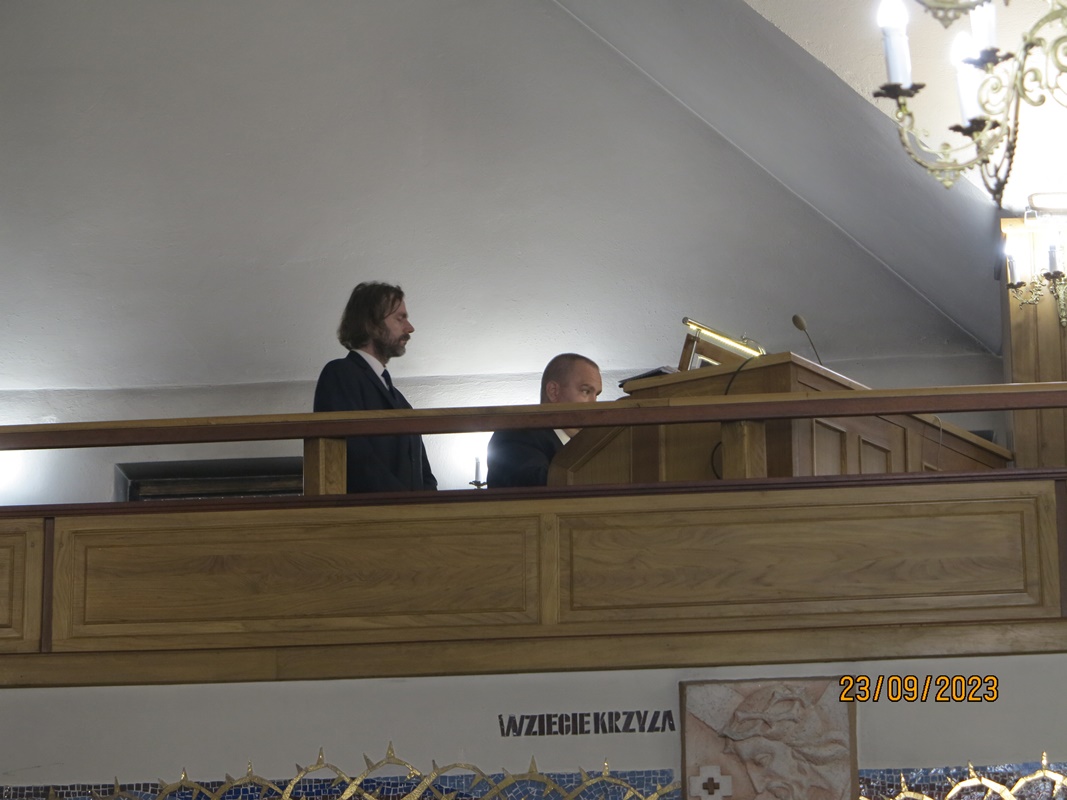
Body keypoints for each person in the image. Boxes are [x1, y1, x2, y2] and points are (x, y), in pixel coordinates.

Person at [313, 281, 437, 493]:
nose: (409, 328)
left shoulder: (400, 399)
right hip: (372, 510)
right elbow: (355, 456)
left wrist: (430, 504)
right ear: (372, 324)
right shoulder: (340, 374)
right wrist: (403, 503)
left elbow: (422, 469)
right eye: (400, 318)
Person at [486, 353, 602, 488]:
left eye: (596, 395)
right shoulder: (516, 434)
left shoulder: (586, 446)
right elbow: (540, 488)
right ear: (553, 391)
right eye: (586, 391)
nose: (594, 404)